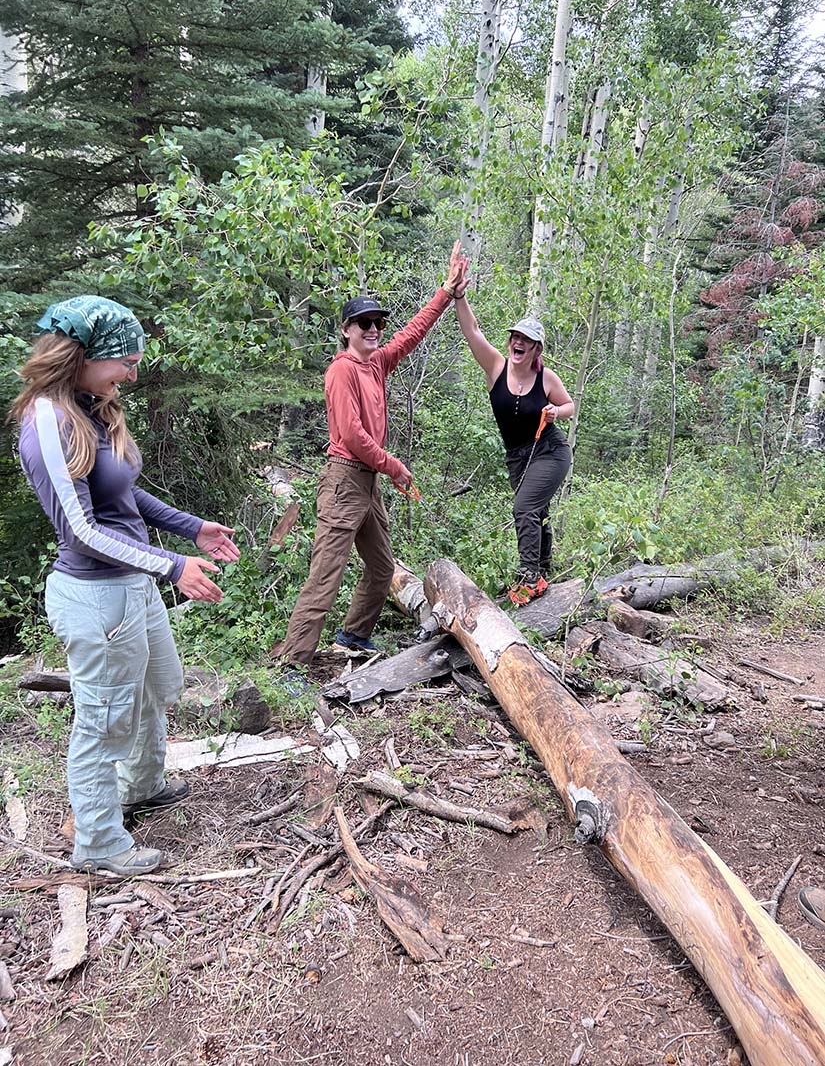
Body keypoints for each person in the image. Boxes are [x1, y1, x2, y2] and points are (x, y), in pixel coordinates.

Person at [9, 295, 241, 877]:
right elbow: (82, 530)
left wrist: (192, 528)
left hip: (131, 582)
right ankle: (100, 841)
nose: (132, 375)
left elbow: (121, 495)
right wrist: (172, 565)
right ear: (81, 356)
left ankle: (142, 785)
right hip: (94, 594)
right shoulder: (48, 421)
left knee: (159, 684)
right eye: (124, 362)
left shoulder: (92, 406)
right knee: (104, 716)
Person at [280, 242, 469, 668]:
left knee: (383, 568)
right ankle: (292, 660)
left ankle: (352, 636)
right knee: (326, 572)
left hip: (367, 483)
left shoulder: (376, 363)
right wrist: (395, 466)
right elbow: (352, 434)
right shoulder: (342, 369)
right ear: (346, 329)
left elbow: (412, 333)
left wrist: (446, 291)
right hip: (345, 479)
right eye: (363, 322)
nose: (373, 329)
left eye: (377, 322)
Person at [454, 296, 574, 605]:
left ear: (537, 348)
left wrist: (554, 412)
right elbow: (472, 331)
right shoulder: (496, 367)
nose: (518, 343)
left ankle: (529, 577)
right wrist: (459, 296)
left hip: (550, 450)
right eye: (515, 337)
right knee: (536, 511)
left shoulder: (546, 377)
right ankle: (545, 568)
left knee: (524, 508)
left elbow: (569, 405)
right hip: (518, 458)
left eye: (527, 340)